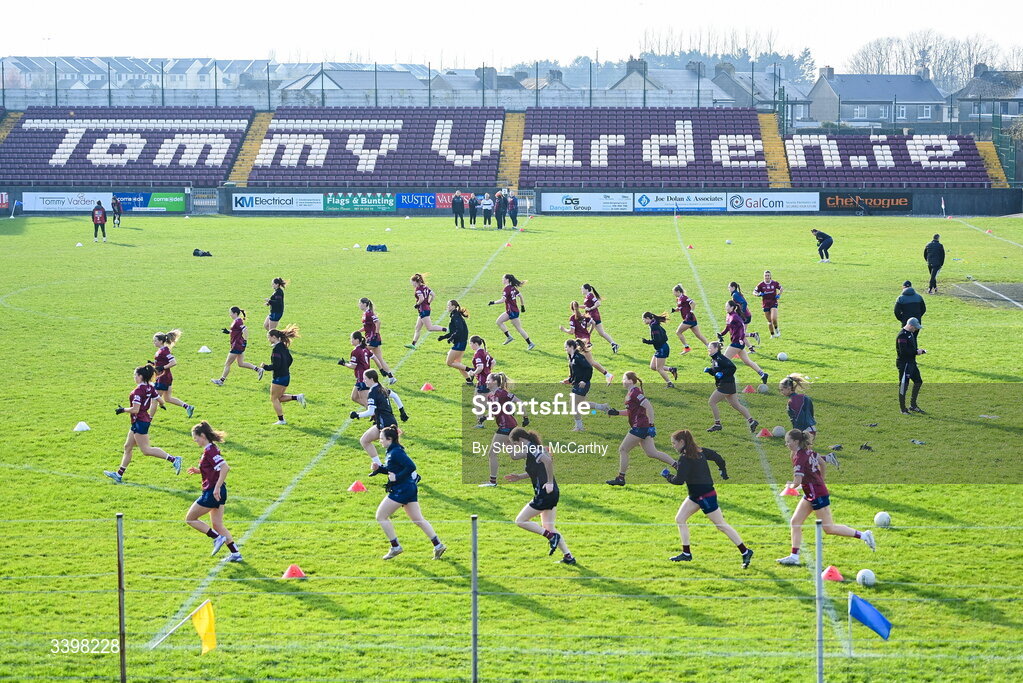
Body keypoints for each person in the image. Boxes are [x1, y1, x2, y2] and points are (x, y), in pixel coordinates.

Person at [776, 429, 875, 566]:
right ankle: (794, 556)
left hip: (817, 495)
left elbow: (797, 481)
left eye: (788, 442)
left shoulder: (800, 457)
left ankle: (864, 535)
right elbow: (822, 463)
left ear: (796, 441)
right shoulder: (807, 452)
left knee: (829, 529)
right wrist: (821, 480)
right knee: (795, 522)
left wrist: (790, 486)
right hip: (812, 493)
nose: (786, 444)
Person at [662, 429, 753, 568]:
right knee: (680, 519)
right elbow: (717, 457)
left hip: (704, 496)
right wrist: (723, 470)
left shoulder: (685, 458)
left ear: (682, 442)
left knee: (721, 525)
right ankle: (686, 554)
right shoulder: (700, 451)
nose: (673, 446)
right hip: (695, 495)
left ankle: (745, 551)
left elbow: (679, 480)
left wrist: (667, 476)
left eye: (674, 443)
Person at [370, 426, 447, 560]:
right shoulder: (392, 451)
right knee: (418, 519)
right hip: (408, 488)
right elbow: (393, 468)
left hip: (402, 490)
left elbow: (411, 466)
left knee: (381, 516)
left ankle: (395, 546)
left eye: (381, 439)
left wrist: (397, 477)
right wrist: (380, 469)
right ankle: (438, 545)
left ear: (390, 439)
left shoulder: (396, 452)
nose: (379, 441)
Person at [592, 371, 677, 487]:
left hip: (640, 427)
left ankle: (621, 478)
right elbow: (630, 412)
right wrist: (616, 412)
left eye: (624, 379)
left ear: (630, 381)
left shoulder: (635, 392)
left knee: (623, 449)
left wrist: (652, 424)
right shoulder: (630, 393)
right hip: (642, 427)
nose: (622, 381)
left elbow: (649, 406)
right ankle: (677, 465)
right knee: (652, 453)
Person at [506, 428, 575, 564]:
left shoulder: (532, 449)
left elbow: (548, 461)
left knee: (520, 520)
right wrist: (519, 477)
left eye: (515, 444)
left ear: (520, 440)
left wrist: (549, 482)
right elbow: (517, 458)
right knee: (549, 527)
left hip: (545, 493)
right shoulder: (532, 449)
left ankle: (551, 537)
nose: (516, 447)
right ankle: (568, 557)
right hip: (551, 493)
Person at [104, 366, 181, 483]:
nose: (134, 377)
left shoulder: (138, 391)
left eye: (135, 375)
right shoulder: (150, 387)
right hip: (140, 420)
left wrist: (123, 410)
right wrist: (161, 405)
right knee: (127, 447)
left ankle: (174, 459)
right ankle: (119, 474)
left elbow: (135, 409)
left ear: (140, 376)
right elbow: (161, 400)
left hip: (140, 421)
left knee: (146, 450)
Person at [185, 421, 242, 562]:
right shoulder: (212, 449)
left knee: (190, 518)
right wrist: (199, 471)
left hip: (212, 492)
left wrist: (216, 487)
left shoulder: (209, 451)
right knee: (218, 525)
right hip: (219, 491)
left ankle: (217, 538)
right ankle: (235, 554)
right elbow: (214, 469)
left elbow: (225, 468)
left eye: (196, 437)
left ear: (202, 435)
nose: (195, 440)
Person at [351, 369, 409, 470]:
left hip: (385, 425)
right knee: (364, 440)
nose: (364, 381)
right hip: (387, 422)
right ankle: (380, 467)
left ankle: (412, 474)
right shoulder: (381, 388)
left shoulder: (373, 392)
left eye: (365, 379)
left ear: (372, 379)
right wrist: (402, 411)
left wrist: (357, 415)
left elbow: (370, 411)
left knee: (395, 453)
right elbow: (395, 395)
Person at [478, 373, 525, 487]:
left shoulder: (502, 393)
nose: (486, 382)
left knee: (492, 454)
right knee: (514, 456)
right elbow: (494, 410)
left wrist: (525, 417)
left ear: (494, 382)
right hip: (508, 426)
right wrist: (485, 417)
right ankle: (539, 452)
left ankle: (492, 482)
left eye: (488, 380)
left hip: (505, 427)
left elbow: (519, 401)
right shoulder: (491, 395)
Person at [704, 341, 760, 434]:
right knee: (736, 405)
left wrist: (722, 373)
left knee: (712, 402)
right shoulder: (714, 359)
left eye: (710, 348)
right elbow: (717, 371)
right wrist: (710, 371)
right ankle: (752, 421)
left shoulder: (721, 358)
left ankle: (717, 424)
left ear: (716, 349)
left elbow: (732, 368)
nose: (708, 349)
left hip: (725, 385)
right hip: (728, 384)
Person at [262, 325, 305, 425]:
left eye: (268, 337)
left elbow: (276, 365)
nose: (268, 339)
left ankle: (281, 420)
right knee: (279, 398)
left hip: (279, 378)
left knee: (273, 398)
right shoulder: (284, 347)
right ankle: (297, 397)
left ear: (273, 337)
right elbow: (290, 359)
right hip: (286, 376)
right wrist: (285, 367)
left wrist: (265, 367)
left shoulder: (276, 349)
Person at [718, 300, 768, 384]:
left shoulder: (735, 317)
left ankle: (724, 379)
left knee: (724, 360)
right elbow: (728, 327)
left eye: (727, 306)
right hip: (738, 343)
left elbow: (742, 328)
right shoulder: (728, 316)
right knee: (747, 362)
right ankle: (763, 374)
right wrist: (721, 334)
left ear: (732, 307)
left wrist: (741, 339)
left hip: (737, 343)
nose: (725, 308)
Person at [212, 307, 263, 385]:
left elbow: (245, 329)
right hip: (238, 344)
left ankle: (221, 381)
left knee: (227, 364)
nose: (230, 315)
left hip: (237, 345)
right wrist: (228, 332)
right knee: (241, 364)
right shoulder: (235, 321)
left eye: (231, 313)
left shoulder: (238, 321)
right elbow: (236, 332)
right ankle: (258, 369)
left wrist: (245, 341)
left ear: (235, 313)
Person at [150, 330, 195, 418]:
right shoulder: (160, 350)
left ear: (161, 341)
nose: (154, 342)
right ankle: (188, 407)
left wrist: (163, 367)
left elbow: (173, 362)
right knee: (168, 398)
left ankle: (148, 419)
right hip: (166, 377)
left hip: (163, 378)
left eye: (155, 340)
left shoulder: (164, 351)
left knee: (154, 399)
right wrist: (153, 364)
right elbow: (162, 362)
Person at [489, 274, 534, 350]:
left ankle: (530, 343)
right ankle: (509, 337)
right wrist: (522, 306)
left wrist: (493, 302)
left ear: (507, 280)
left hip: (512, 312)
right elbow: (521, 296)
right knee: (499, 321)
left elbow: (503, 300)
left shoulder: (507, 289)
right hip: (510, 311)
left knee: (519, 329)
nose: (502, 280)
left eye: (503, 278)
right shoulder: (513, 288)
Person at [360, 298, 397, 384]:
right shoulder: (365, 313)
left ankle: (365, 375)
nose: (359, 305)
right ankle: (391, 377)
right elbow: (367, 327)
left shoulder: (369, 313)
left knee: (361, 350)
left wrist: (376, 334)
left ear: (365, 304)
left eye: (360, 303)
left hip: (372, 339)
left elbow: (378, 322)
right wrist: (358, 331)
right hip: (372, 338)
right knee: (379, 358)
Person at [405, 274, 445, 350]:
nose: (411, 284)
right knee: (417, 328)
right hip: (425, 309)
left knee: (430, 328)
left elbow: (421, 298)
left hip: (423, 310)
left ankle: (447, 329)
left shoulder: (418, 289)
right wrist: (429, 302)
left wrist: (417, 304)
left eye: (412, 282)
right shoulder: (425, 287)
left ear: (415, 281)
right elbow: (433, 295)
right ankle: (413, 344)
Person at [437, 300, 471, 383]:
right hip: (461, 342)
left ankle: (471, 370)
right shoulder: (454, 315)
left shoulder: (455, 316)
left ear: (453, 307)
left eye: (448, 305)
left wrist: (451, 337)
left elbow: (459, 330)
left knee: (449, 362)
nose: (447, 307)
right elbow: (454, 331)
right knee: (457, 363)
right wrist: (444, 337)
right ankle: (469, 380)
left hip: (460, 343)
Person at [563, 339, 594, 432]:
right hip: (577, 384)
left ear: (571, 347)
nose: (565, 349)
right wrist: (569, 380)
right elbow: (574, 372)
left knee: (573, 404)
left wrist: (584, 380)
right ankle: (603, 407)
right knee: (581, 405)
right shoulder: (571, 357)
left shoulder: (578, 357)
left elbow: (589, 369)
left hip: (583, 385)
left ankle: (579, 427)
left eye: (566, 347)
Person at [896, 318, 925, 415]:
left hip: (912, 363)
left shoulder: (910, 334)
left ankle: (913, 405)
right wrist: (916, 352)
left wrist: (918, 350)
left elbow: (910, 348)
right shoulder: (902, 336)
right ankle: (903, 409)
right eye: (915, 327)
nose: (916, 329)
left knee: (918, 381)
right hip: (905, 364)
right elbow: (903, 352)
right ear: (911, 326)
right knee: (904, 385)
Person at [642, 312, 678, 387]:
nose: (643, 321)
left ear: (648, 318)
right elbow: (664, 333)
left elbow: (657, 340)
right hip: (660, 348)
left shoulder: (654, 326)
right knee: (653, 366)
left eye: (644, 319)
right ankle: (671, 369)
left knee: (659, 368)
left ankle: (669, 383)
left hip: (662, 348)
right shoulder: (655, 324)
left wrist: (647, 342)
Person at [339, 331, 374, 407]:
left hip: (362, 377)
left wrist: (344, 364)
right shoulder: (364, 348)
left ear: (357, 340)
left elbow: (353, 366)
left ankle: (375, 414)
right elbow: (374, 357)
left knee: (366, 400)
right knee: (354, 397)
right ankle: (372, 411)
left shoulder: (355, 351)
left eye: (351, 339)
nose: (350, 340)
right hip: (363, 376)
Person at [671, 284, 709, 354]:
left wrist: (691, 311)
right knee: (698, 335)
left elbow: (693, 303)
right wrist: (674, 310)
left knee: (678, 332)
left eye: (674, 292)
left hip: (689, 319)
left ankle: (686, 347)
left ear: (678, 291)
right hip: (692, 319)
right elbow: (680, 308)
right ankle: (710, 347)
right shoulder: (679, 299)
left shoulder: (684, 298)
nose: (673, 293)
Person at [779, 374, 816, 445]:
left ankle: (828, 456)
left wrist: (797, 433)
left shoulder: (793, 401)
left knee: (796, 451)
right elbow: (811, 412)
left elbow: (799, 417)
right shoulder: (804, 397)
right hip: (811, 429)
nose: (781, 392)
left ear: (789, 388)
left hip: (805, 431)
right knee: (803, 453)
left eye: (782, 390)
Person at [582, 283, 619, 353]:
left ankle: (587, 343)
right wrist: (576, 306)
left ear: (586, 289)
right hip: (595, 316)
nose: (581, 290)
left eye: (582, 289)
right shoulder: (587, 296)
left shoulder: (590, 295)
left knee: (583, 327)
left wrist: (590, 309)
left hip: (593, 316)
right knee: (602, 333)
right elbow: (587, 306)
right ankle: (614, 344)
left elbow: (598, 303)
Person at [728, 282, 758, 348]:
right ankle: (751, 348)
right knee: (741, 334)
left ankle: (754, 335)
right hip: (746, 316)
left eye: (729, 287)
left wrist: (742, 313)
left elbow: (744, 303)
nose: (728, 289)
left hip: (745, 316)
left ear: (733, 287)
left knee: (740, 334)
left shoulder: (735, 295)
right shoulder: (736, 294)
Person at [754, 270, 783, 338]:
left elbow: (781, 288)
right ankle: (772, 335)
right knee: (769, 321)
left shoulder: (774, 283)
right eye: (765, 276)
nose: (767, 277)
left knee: (774, 319)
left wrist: (779, 294)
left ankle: (777, 331)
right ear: (763, 276)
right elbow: (754, 292)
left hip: (773, 302)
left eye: (768, 275)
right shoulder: (761, 284)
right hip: (765, 304)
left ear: (770, 276)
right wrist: (758, 294)